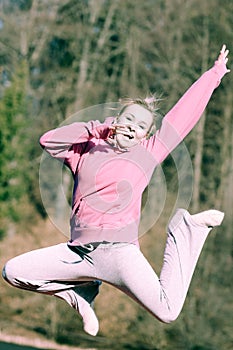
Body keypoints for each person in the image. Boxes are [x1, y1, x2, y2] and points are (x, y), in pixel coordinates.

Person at [2, 45, 230, 337]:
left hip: (119, 254)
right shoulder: (86, 149)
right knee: (14, 272)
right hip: (77, 253)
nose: (133, 127)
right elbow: (48, 141)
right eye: (129, 119)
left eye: (141, 125)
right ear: (116, 122)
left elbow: (181, 118)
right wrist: (94, 130)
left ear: (146, 135)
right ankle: (80, 294)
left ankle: (184, 227)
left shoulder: (148, 152)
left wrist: (213, 75)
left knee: (168, 310)